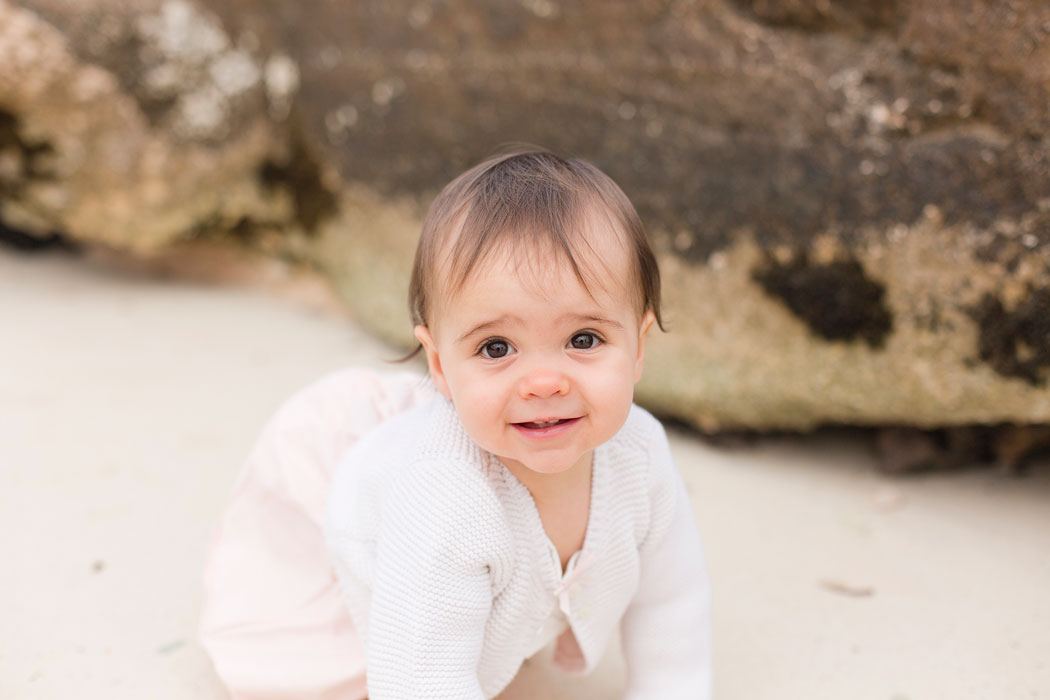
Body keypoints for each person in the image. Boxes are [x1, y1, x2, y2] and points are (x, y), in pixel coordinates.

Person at [200, 149, 711, 700]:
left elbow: (671, 598)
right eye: (497, 347)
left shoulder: (641, 456)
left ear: (638, 347)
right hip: (360, 571)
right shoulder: (445, 498)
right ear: (439, 365)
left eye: (583, 340)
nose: (543, 383)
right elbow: (419, 681)